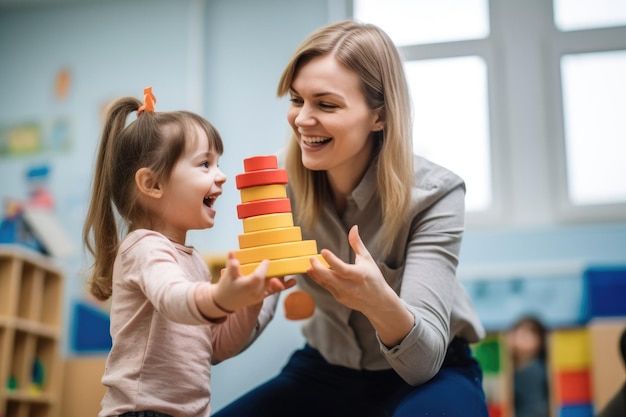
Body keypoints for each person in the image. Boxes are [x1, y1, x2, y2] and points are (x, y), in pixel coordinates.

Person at [214, 20, 488, 417]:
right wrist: (213, 308)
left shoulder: (435, 194)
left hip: (433, 372)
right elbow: (244, 322)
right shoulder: (277, 182)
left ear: (379, 116)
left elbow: (421, 363)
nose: (303, 120)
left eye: (326, 105)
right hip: (327, 369)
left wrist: (380, 304)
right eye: (296, 100)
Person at [82, 87, 293, 417]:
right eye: (205, 164)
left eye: (218, 164)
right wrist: (222, 296)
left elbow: (217, 347)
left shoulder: (191, 260)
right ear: (152, 184)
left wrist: (255, 299)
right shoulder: (144, 248)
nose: (221, 175)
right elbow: (173, 298)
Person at [506, 316, 550, 417]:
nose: (519, 336)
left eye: (527, 333)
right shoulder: (514, 369)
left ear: (540, 340)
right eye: (517, 331)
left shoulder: (534, 371)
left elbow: (534, 409)